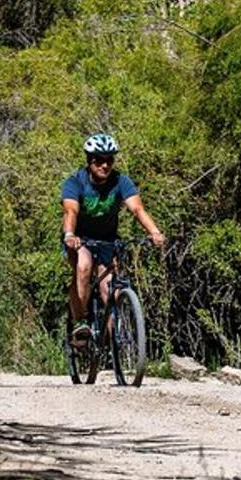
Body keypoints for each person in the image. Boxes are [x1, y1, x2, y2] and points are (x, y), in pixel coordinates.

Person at [61, 133, 165, 345]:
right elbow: (70, 211)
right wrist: (69, 235)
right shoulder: (75, 182)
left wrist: (154, 232)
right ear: (90, 161)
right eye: (99, 160)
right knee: (82, 268)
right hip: (80, 239)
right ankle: (80, 323)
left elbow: (137, 208)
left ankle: (112, 342)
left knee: (110, 289)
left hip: (107, 239)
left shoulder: (120, 181)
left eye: (109, 160)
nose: (105, 165)